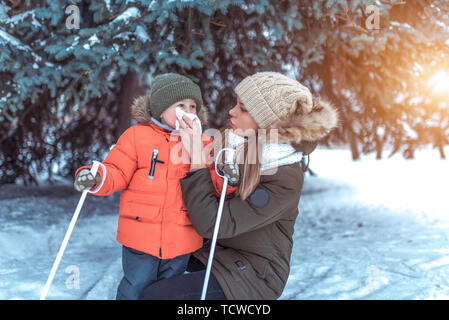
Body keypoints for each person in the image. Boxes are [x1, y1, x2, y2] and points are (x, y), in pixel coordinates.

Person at [138, 71, 339, 300]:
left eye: (243, 108)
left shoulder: (284, 178)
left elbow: (213, 225)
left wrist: (197, 161)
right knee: (150, 258)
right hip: (213, 252)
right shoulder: (231, 141)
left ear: (266, 123)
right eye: (236, 103)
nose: (231, 111)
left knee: (155, 297)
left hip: (253, 272)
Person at [73, 73, 236, 300]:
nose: (188, 112)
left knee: (168, 290)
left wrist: (228, 178)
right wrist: (97, 177)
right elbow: (117, 170)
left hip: (182, 235)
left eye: (192, 106)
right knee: (136, 284)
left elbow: (215, 185)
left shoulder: (204, 143)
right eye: (181, 105)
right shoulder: (137, 137)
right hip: (140, 234)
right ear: (161, 109)